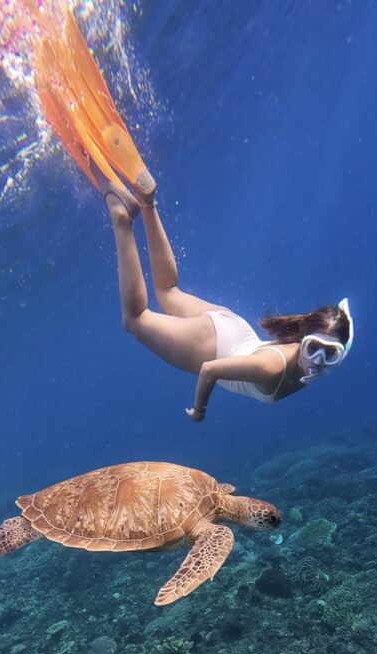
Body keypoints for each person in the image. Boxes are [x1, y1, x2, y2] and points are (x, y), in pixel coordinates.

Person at [33, 11, 354, 422]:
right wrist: (199, 410)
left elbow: (344, 319)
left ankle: (148, 203)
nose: (319, 362)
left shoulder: (308, 349)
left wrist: (339, 327)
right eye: (316, 349)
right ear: (303, 339)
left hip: (233, 329)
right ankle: (121, 217)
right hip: (215, 348)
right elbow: (210, 370)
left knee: (168, 291)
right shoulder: (273, 367)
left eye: (330, 356)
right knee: (136, 319)